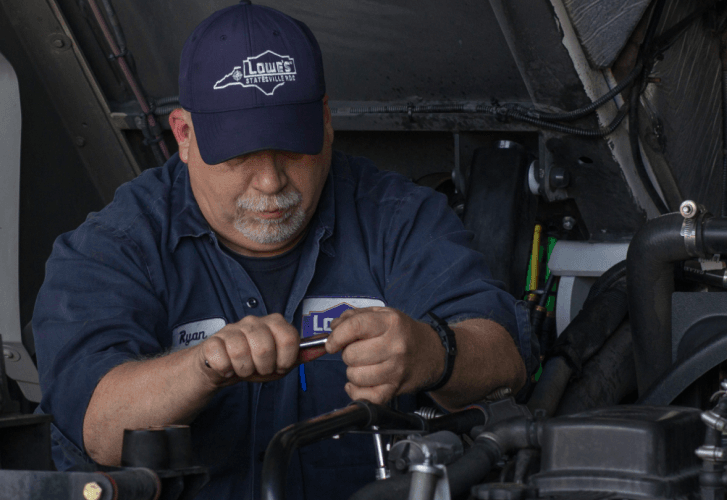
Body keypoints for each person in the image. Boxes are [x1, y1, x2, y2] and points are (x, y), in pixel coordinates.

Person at [32, 2, 534, 499]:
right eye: (241, 156)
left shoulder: (398, 218)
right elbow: (98, 422)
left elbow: (505, 357)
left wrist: (434, 351)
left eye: (293, 149)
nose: (271, 182)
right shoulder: (117, 245)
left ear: (326, 120)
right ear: (184, 135)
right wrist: (202, 366)